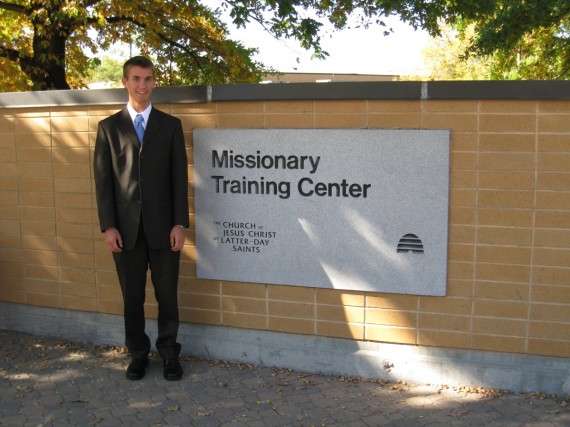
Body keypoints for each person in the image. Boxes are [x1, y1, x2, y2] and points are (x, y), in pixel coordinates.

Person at [93, 56, 189, 381]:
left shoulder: (170, 126)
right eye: (136, 79)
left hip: (164, 230)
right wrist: (108, 226)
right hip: (126, 232)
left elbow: (179, 178)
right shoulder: (108, 128)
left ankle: (169, 355)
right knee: (132, 299)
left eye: (148, 79)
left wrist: (180, 223)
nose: (142, 85)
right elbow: (103, 181)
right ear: (125, 82)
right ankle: (137, 354)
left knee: (167, 296)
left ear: (154, 82)